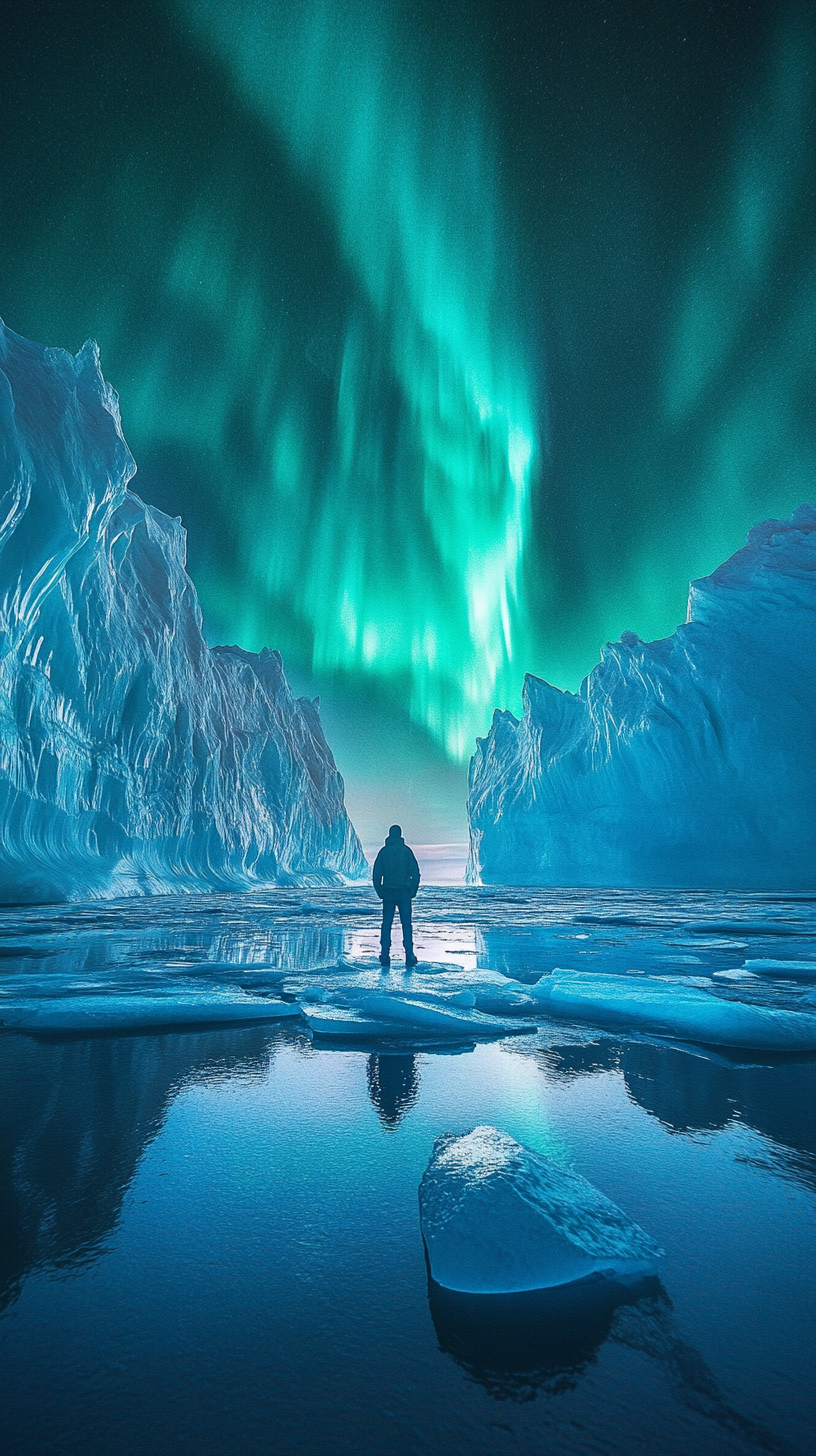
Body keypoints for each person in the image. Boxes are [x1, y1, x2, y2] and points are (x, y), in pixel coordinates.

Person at [372, 825, 420, 967]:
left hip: (388, 893)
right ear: (400, 835)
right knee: (406, 924)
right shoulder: (406, 851)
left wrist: (379, 891)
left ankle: (385, 955)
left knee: (386, 924)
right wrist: (413, 890)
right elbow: (415, 872)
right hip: (404, 893)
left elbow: (376, 874)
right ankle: (409, 955)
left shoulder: (384, 852)